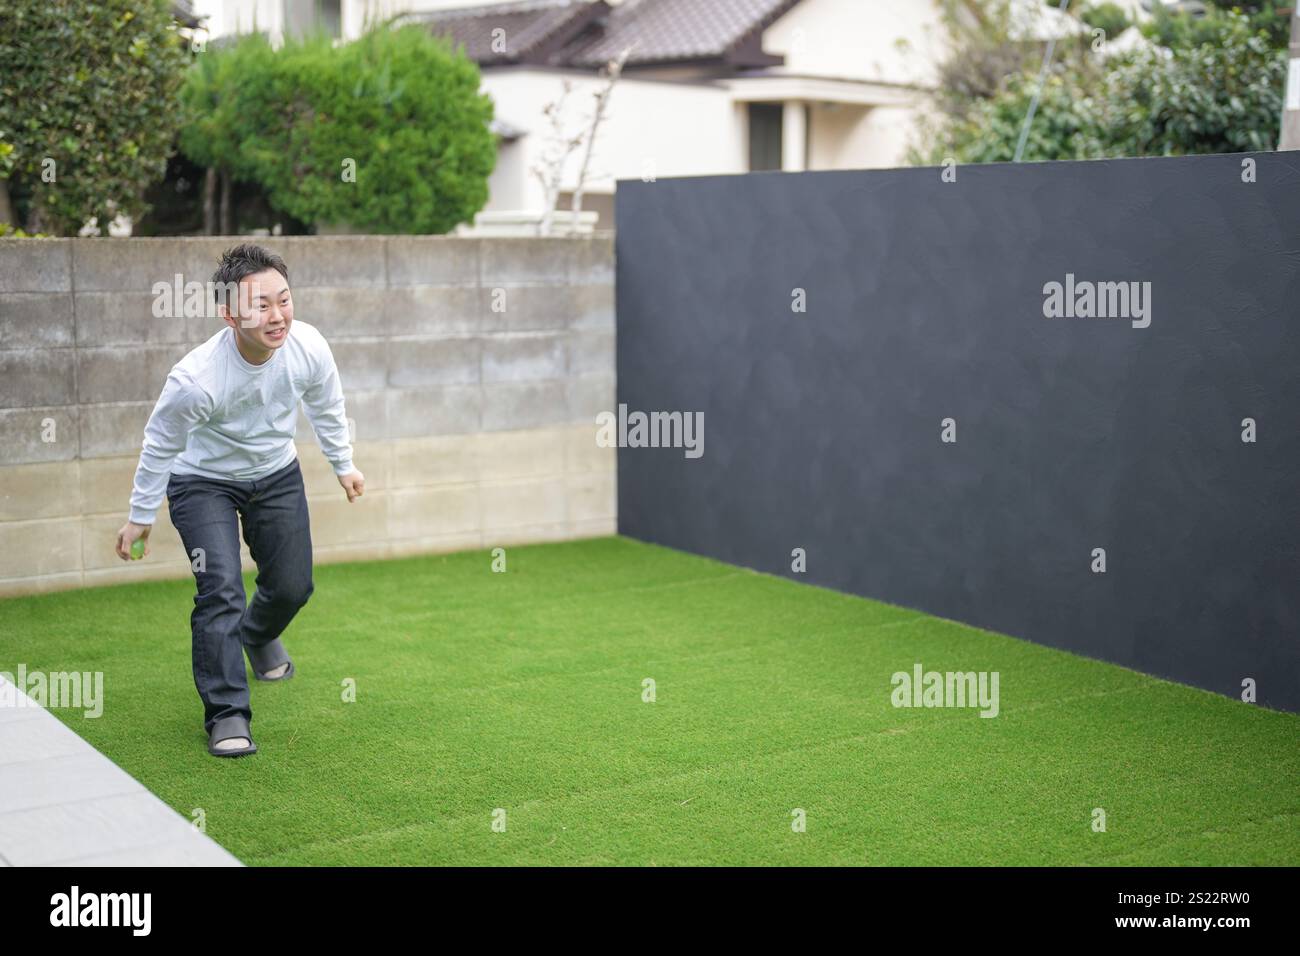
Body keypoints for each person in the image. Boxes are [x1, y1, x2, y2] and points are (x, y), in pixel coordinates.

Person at [115, 243, 365, 757]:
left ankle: (255, 634)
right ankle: (227, 713)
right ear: (230, 314)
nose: (277, 316)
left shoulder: (309, 347)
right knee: (221, 590)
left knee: (294, 586)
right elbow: (160, 443)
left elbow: (326, 404)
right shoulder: (195, 380)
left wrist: (344, 463)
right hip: (201, 481)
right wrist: (141, 516)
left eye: (284, 300)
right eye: (261, 306)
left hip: (275, 473)